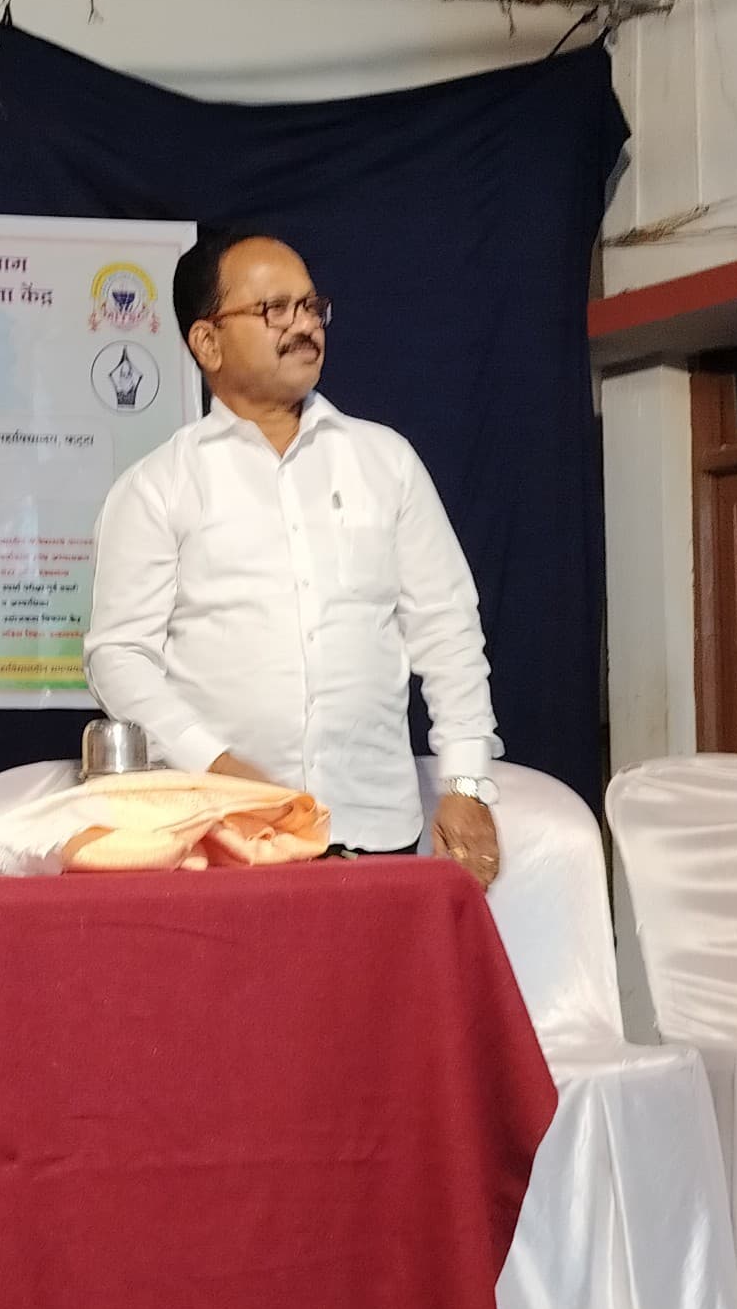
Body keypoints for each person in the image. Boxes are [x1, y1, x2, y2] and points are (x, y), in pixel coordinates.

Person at [82, 232, 503, 881]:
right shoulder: (157, 486)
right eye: (274, 309)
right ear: (207, 342)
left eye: (311, 306)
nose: (304, 325)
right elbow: (119, 657)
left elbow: (447, 629)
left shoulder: (384, 462)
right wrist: (220, 769)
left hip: (372, 827)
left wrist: (467, 783)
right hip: (223, 834)